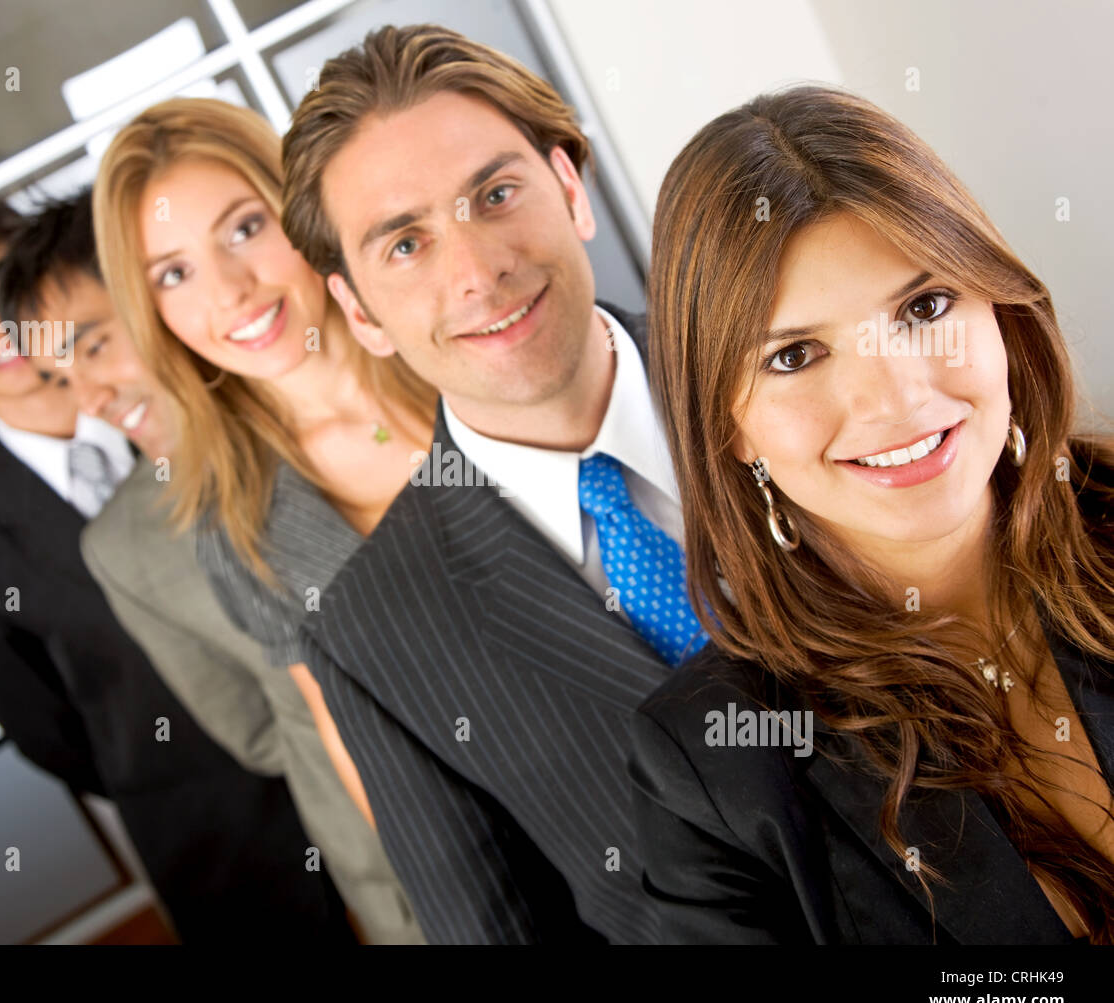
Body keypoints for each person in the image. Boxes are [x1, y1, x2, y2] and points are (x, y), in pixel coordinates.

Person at [630, 84, 1114, 944]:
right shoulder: (716, 767)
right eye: (795, 355)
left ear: (998, 309)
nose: (896, 399)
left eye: (924, 308)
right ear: (727, 427)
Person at [280, 23, 707, 944]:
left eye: (497, 194)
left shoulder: (783, 372)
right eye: (405, 245)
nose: (478, 272)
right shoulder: (371, 633)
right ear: (359, 311)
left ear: (569, 187)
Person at [0, 185, 349, 943]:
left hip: (362, 764)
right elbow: (52, 735)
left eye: (0, 281)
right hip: (216, 843)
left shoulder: (198, 408)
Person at [5, 189, 424, 944]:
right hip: (394, 872)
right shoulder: (125, 545)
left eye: (95, 345)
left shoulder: (364, 399)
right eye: (60, 379)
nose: (91, 399)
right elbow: (255, 733)